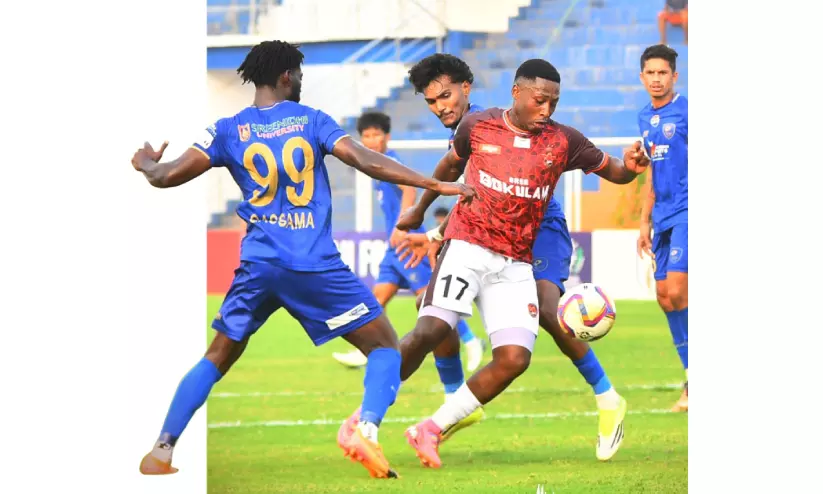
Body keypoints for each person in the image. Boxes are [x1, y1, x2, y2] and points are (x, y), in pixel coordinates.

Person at [131, 40, 474, 479]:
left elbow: (165, 176)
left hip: (259, 266)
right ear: (286, 76)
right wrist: (436, 185)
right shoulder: (311, 120)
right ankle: (366, 430)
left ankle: (161, 450)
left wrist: (146, 164)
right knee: (385, 347)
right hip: (313, 264)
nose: (300, 82)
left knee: (216, 356)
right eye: (299, 75)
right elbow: (365, 160)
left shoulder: (225, 129)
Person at [357, 59, 648, 469]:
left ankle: (607, 397)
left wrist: (433, 229)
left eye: (446, 96)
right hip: (488, 234)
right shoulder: (473, 129)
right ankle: (449, 400)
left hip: (539, 227)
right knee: (433, 316)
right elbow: (470, 190)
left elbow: (484, 190)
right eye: (432, 101)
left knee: (548, 310)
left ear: (467, 88)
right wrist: (437, 233)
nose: (441, 106)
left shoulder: (509, 126)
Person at [331, 111, 485, 384]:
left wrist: (401, 226)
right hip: (394, 249)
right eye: (366, 136)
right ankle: (367, 349)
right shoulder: (376, 167)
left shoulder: (391, 162)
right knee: (377, 299)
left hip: (407, 243)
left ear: (387, 137)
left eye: (376, 135)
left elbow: (410, 190)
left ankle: (471, 340)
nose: (371, 140)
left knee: (429, 300)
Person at [636, 44, 688, 412]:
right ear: (642, 77)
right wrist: (644, 221)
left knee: (679, 289)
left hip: (689, 210)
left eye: (662, 73)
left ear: (674, 76)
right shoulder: (644, 118)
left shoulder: (688, 112)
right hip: (663, 217)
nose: (657, 79)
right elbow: (653, 171)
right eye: (651, 73)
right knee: (665, 297)